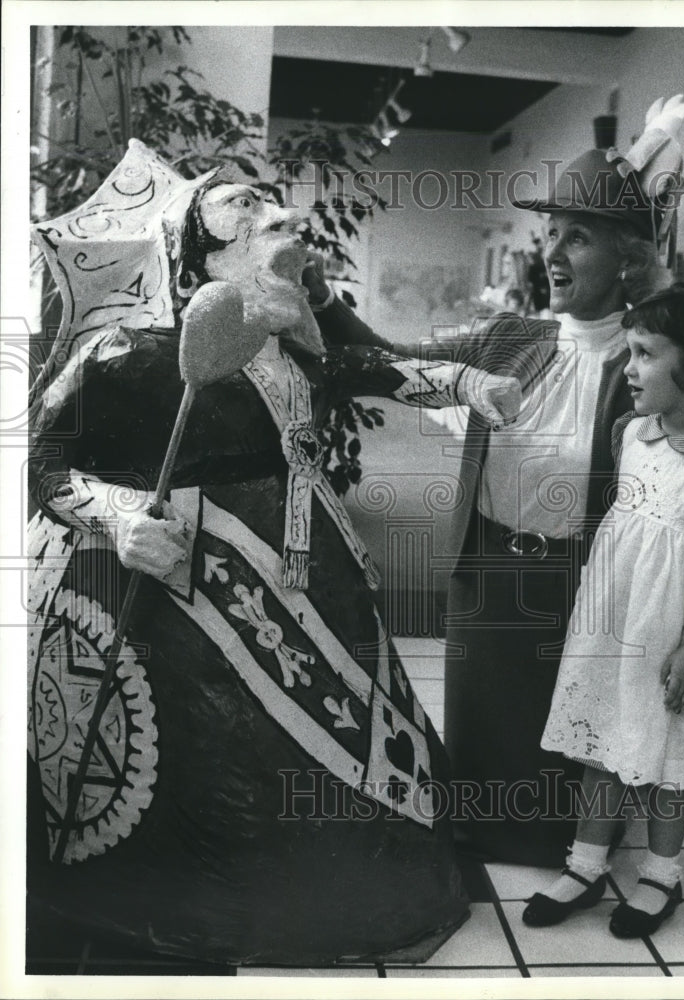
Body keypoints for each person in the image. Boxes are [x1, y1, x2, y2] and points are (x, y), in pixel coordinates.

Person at [27, 139, 520, 964]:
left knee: (356, 719)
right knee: (228, 761)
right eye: (240, 206)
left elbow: (369, 367)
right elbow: (39, 462)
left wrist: (466, 384)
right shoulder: (127, 354)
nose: (271, 210)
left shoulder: (292, 340)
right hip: (192, 582)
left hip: (314, 556)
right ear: (195, 254)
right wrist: (114, 517)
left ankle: (366, 888)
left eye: (269, 197)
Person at [305, 96, 684, 866]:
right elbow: (393, 361)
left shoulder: (648, 366)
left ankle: (587, 851)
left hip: (593, 586)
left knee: (584, 750)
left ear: (624, 255)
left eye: (576, 238)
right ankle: (493, 835)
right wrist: (321, 300)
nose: (551, 253)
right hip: (487, 576)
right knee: (489, 749)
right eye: (547, 234)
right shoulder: (506, 340)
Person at [524, 280, 684, 937]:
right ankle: (583, 862)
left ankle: (661, 873)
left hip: (670, 630)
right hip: (611, 623)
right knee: (601, 743)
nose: (628, 368)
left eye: (642, 354)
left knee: (667, 757)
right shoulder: (631, 435)